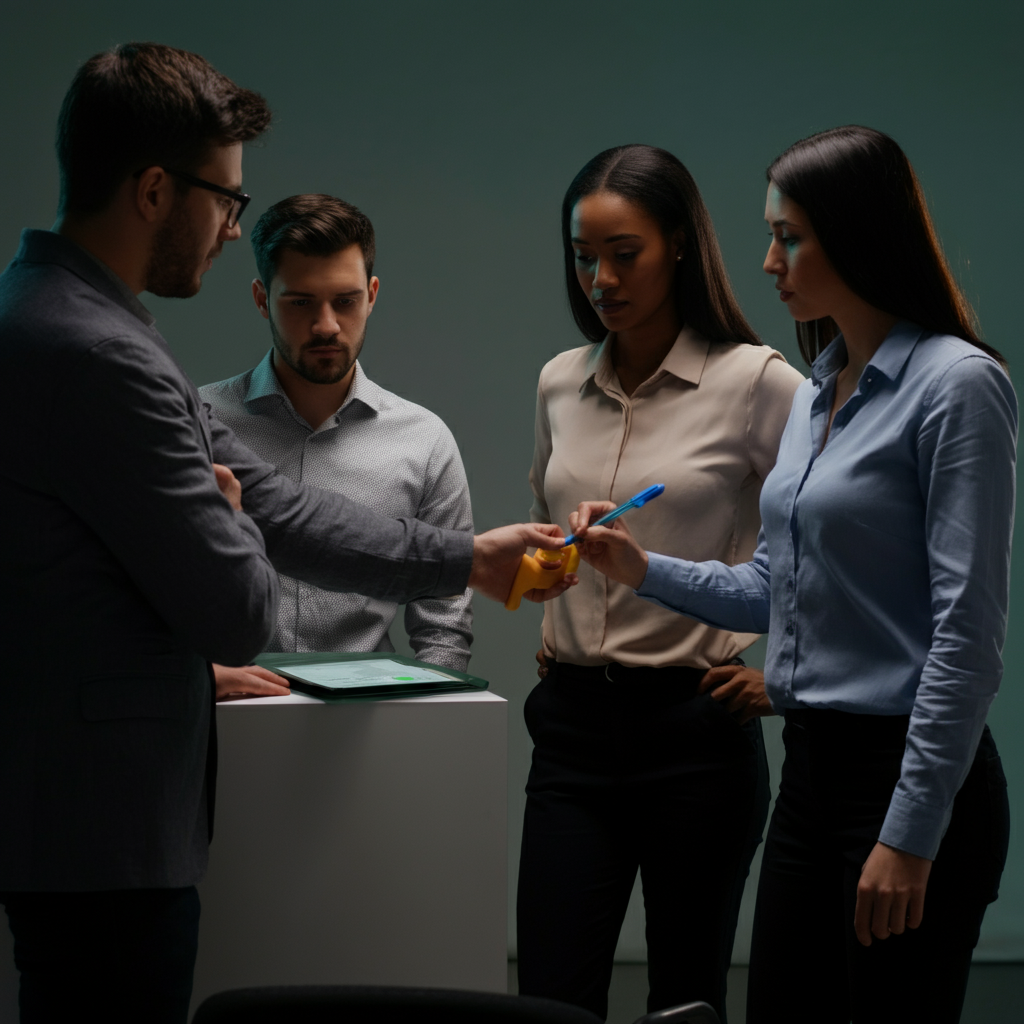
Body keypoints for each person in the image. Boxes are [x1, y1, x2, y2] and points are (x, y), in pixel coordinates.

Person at [0, 43, 565, 1023]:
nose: (229, 231)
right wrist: (223, 524)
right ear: (151, 190)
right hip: (101, 832)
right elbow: (233, 607)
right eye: (225, 200)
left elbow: (275, 498)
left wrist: (468, 559)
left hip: (79, 823)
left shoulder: (64, 315)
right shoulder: (100, 353)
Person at [567, 126, 1014, 1024]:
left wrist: (910, 834)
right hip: (811, 777)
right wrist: (639, 566)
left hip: (904, 781)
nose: (768, 260)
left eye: (792, 236)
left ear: (861, 235)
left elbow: (967, 640)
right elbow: (773, 585)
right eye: (771, 233)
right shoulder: (819, 389)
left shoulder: (957, 385)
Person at [515, 144, 804, 1022]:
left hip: (694, 734)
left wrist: (785, 672)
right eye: (582, 255)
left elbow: (833, 552)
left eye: (623, 253)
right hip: (570, 729)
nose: (599, 277)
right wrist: (555, 602)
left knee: (685, 998)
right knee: (551, 996)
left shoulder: (757, 382)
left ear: (679, 244)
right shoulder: (560, 381)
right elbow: (549, 519)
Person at [202, 194, 474, 701]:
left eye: (345, 301)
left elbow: (444, 630)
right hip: (231, 721)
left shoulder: (425, 440)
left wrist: (423, 722)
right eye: (301, 302)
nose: (326, 325)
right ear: (262, 299)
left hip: (370, 730)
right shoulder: (200, 424)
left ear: (372, 295)